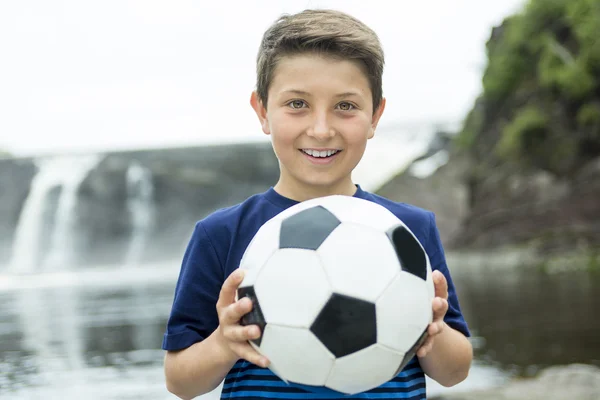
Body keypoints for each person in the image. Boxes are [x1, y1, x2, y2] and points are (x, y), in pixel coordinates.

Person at [162, 8, 473, 400]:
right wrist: (224, 342)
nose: (321, 129)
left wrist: (434, 329)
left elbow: (454, 371)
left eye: (346, 106)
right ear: (262, 111)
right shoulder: (221, 235)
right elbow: (180, 381)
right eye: (297, 104)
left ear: (375, 115)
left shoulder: (410, 228)